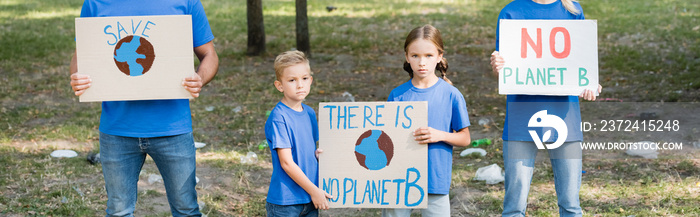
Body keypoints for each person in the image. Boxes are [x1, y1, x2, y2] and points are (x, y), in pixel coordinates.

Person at [69, 0, 219, 216]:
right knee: (118, 211)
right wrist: (77, 76)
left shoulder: (186, 1)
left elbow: (209, 54)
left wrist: (200, 78)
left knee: (186, 209)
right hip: (117, 129)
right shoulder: (95, 3)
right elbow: (81, 56)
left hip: (173, 128)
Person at [489, 0, 602, 216]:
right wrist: (498, 66)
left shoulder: (573, 10)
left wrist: (589, 81)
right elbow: (505, 70)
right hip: (520, 118)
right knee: (514, 207)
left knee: (571, 205)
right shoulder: (511, 12)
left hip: (565, 117)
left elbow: (580, 61)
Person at [383, 24, 472, 217]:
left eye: (429, 55)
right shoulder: (397, 95)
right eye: (415, 56)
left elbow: (465, 138)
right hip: (398, 180)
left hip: (435, 180)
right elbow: (385, 138)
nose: (421, 62)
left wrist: (439, 135)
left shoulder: (451, 95)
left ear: (439, 56)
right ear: (407, 57)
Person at [264, 51, 332, 217]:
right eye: (292, 80)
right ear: (279, 86)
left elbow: (307, 150)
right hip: (286, 203)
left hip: (309, 199)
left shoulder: (309, 113)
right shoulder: (279, 117)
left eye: (304, 78)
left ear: (311, 80)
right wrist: (314, 191)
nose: (300, 85)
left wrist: (317, 155)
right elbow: (286, 163)